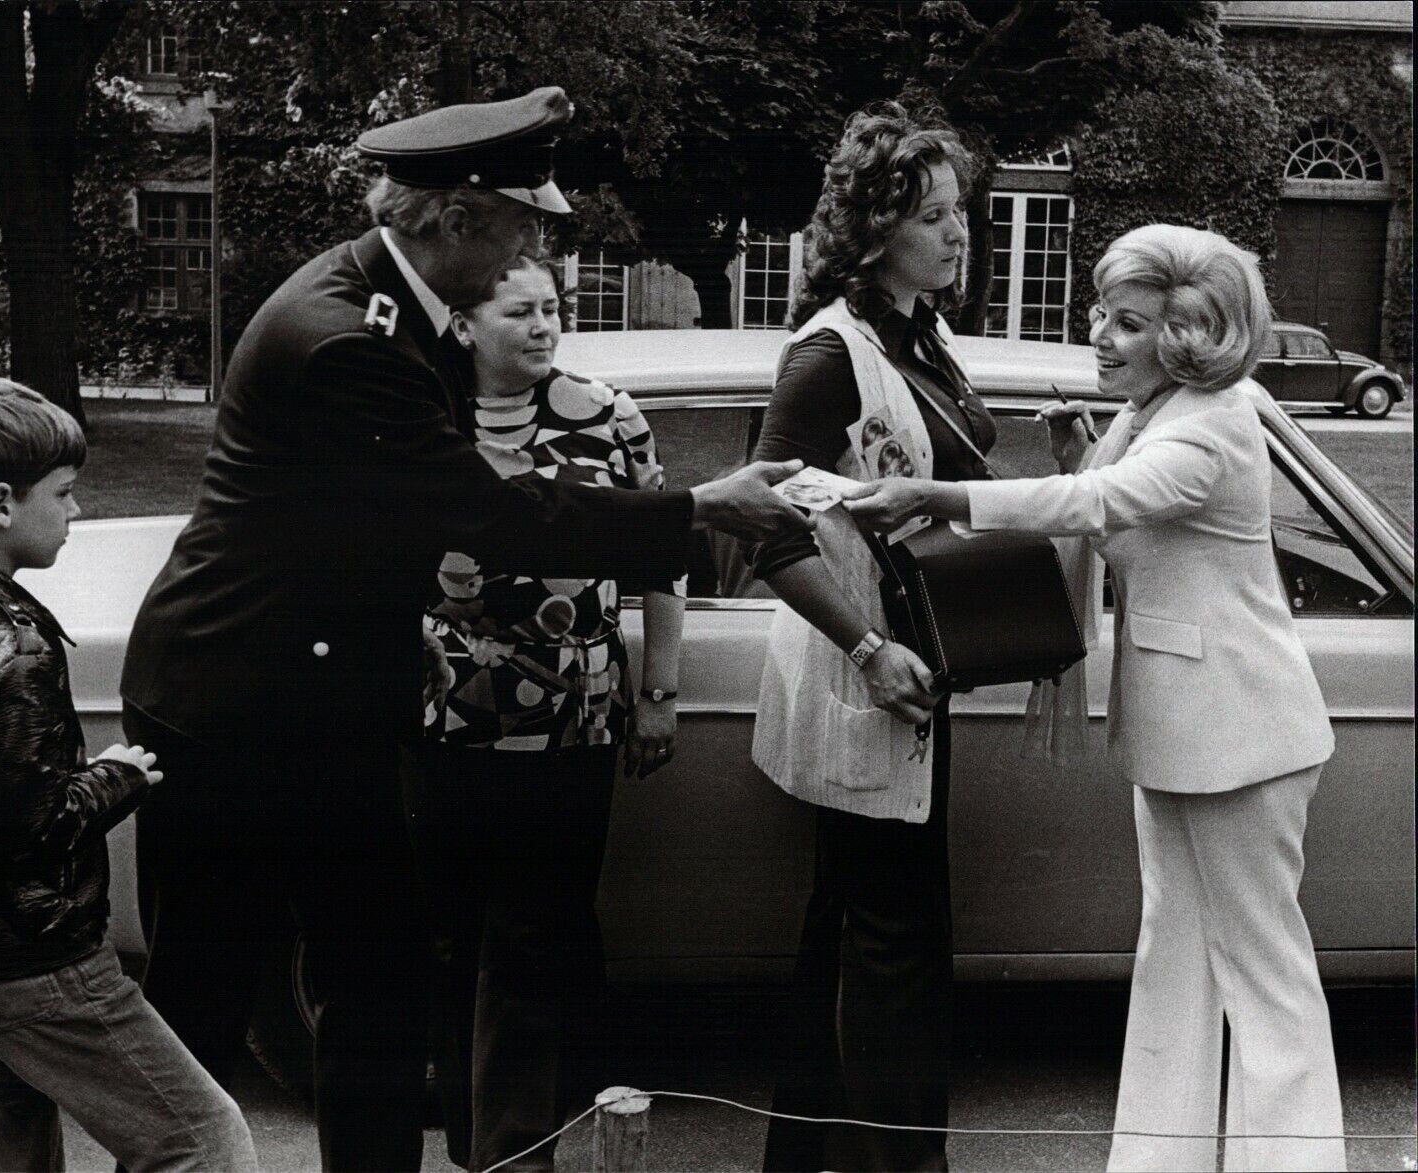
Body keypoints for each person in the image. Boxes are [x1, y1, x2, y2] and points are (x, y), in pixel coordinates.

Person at [118, 86, 808, 1171]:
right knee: (205, 1002)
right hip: (238, 712)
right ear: (454, 219)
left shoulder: (392, 308)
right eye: (523, 224)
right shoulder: (346, 338)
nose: (536, 247)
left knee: (381, 985)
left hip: (326, 701)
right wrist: (703, 509)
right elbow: (484, 514)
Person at [845, 224, 1345, 1173]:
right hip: (1186, 731)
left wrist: (939, 495)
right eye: (1100, 315)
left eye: (1127, 322)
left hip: (1244, 733)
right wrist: (1081, 458)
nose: (1099, 336)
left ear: (1189, 332)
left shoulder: (1216, 419)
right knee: (1174, 955)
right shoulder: (1155, 408)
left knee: (1264, 971)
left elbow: (1095, 508)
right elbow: (1106, 500)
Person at [0, 377, 257, 1172]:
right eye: (63, 493)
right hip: (35, 966)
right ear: (3, 504)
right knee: (202, 1138)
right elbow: (35, 826)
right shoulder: (12, 648)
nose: (75, 512)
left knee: (8, 1161)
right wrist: (118, 776)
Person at [746, 103, 991, 1172]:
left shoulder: (919, 334)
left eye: (960, 213)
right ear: (875, 226)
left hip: (914, 670)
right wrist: (865, 649)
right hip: (870, 675)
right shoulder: (829, 352)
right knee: (893, 944)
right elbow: (771, 535)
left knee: (850, 924)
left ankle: (801, 1159)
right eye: (932, 215)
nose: (957, 234)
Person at [407, 256, 687, 1170]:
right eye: (519, 309)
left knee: (533, 934)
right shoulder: (421, 419)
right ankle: (471, 1138)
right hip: (439, 725)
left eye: (552, 308)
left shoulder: (608, 415)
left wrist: (659, 692)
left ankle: (515, 1152)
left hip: (573, 729)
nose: (543, 325)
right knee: (451, 936)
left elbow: (662, 559)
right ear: (463, 323)